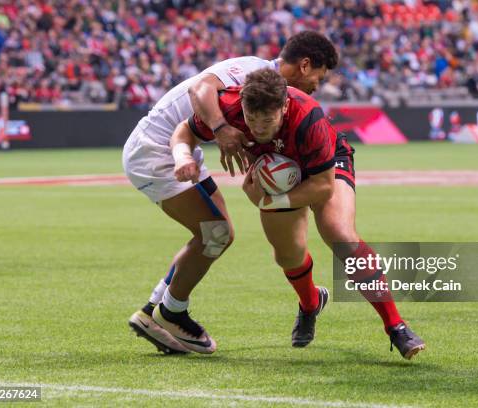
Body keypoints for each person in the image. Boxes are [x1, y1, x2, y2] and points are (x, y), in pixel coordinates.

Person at [162, 68, 423, 358]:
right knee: (288, 255)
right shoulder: (230, 108)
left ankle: (396, 326)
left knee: (340, 235)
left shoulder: (309, 117)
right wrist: (183, 157)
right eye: (252, 119)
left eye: (267, 120)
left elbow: (323, 187)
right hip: (277, 173)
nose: (258, 128)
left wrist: (269, 203)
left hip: (324, 168)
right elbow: (183, 132)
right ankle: (311, 303)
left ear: (284, 106)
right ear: (243, 107)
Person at [124, 31, 339, 354]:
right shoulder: (251, 71)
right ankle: (171, 312)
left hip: (183, 148)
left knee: (216, 230)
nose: (315, 88)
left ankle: (154, 309)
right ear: (305, 65)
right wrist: (222, 129)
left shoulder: (266, 91)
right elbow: (201, 88)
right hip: (158, 149)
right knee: (216, 233)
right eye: (318, 79)